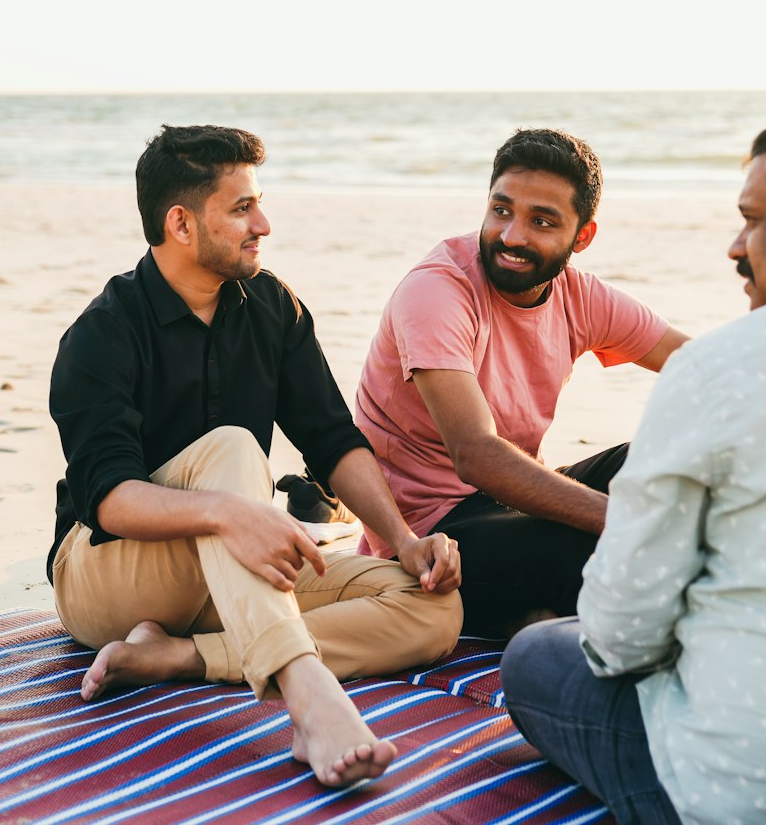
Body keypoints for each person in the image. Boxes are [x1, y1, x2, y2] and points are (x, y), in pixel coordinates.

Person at [500, 106, 766, 825]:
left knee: (538, 658)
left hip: (761, 786)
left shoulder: (719, 367)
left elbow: (620, 638)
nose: (735, 246)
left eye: (752, 218)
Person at [47, 124, 462, 790]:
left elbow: (331, 441)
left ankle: (179, 658)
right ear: (180, 224)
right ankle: (310, 700)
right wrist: (223, 513)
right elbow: (109, 500)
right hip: (106, 574)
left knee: (431, 607)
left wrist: (403, 538)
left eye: (258, 203)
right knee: (235, 449)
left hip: (231, 575)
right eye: (242, 208)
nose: (262, 224)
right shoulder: (105, 331)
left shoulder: (273, 307)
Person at [354, 127, 688, 637]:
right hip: (433, 535)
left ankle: (534, 619)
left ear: (582, 237)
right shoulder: (437, 291)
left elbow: (702, 366)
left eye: (542, 221)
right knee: (606, 552)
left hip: (510, 503)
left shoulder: (580, 295)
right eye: (502, 210)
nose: (512, 236)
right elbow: (477, 454)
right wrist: (624, 518)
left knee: (674, 457)